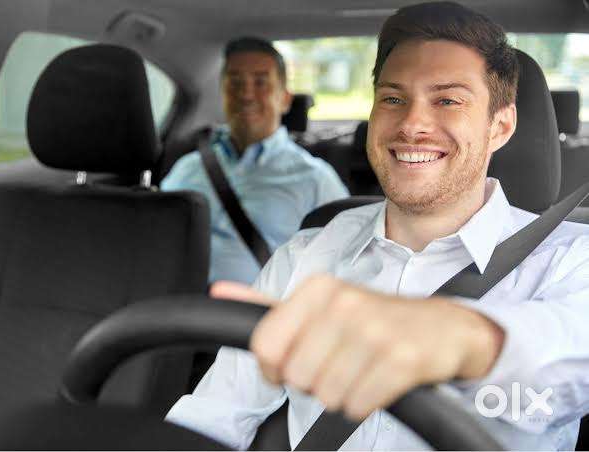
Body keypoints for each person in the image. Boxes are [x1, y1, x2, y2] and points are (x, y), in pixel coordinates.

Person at [166, 2, 589, 450]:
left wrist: (461, 339)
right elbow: (213, 416)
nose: (412, 124)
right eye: (393, 99)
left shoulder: (571, 261)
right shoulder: (305, 255)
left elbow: (574, 353)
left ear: (500, 127)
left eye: (447, 100)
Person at [160, 37, 349, 285]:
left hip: (260, 308)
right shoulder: (187, 168)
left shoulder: (316, 179)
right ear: (223, 93)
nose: (247, 95)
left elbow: (345, 268)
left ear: (285, 99)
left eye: (261, 82)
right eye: (235, 82)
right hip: (174, 304)